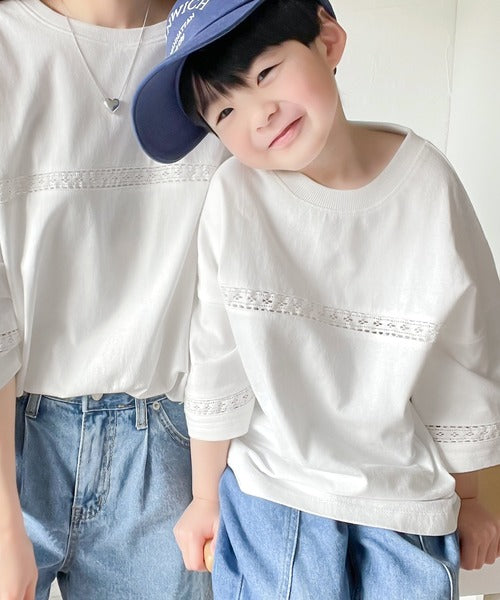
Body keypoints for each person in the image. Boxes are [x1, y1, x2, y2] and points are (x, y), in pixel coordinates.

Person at [132, 0, 500, 598]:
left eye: (266, 73)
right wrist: (204, 498)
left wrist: (471, 496)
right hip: (273, 496)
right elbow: (218, 355)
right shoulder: (236, 196)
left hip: (405, 500)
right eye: (226, 110)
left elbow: (463, 351)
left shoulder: (428, 185)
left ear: (327, 42)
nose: (260, 114)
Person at [0, 0, 227, 598]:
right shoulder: (10, 44)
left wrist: (211, 486)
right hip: (12, 435)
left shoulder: (215, 33)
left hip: (170, 444)